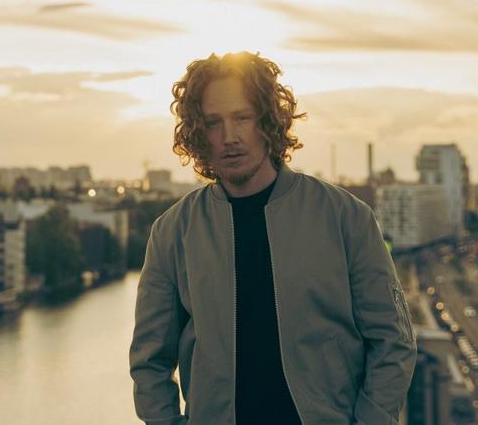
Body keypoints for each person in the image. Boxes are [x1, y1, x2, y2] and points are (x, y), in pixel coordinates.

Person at [129, 52, 416, 424]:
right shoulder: (172, 232)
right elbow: (149, 362)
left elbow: (394, 342)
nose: (229, 137)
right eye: (213, 123)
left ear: (268, 121)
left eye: (242, 118)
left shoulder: (346, 217)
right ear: (198, 133)